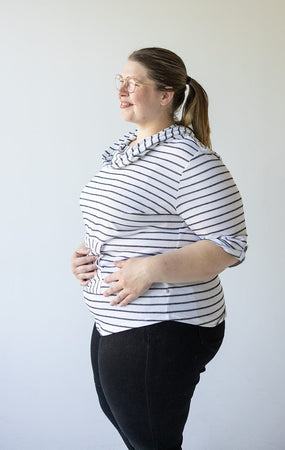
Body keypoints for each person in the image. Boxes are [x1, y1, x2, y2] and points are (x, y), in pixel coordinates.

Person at [71, 47, 247, 450]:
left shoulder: (190, 159)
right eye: (120, 80)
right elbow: (126, 219)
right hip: (117, 319)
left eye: (134, 83)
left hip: (162, 326)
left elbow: (230, 245)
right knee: (135, 433)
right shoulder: (125, 153)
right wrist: (84, 253)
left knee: (152, 443)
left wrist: (149, 269)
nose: (122, 90)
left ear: (166, 94)